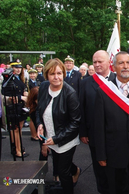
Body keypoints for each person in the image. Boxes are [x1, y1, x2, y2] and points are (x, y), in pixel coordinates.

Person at [94, 51, 129, 194]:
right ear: (114, 67)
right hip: (114, 152)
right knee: (117, 189)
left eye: (128, 63)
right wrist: (101, 155)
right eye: (121, 63)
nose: (125, 66)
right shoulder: (103, 91)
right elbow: (98, 126)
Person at [36, 58, 81, 194]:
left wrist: (57, 138)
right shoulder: (44, 87)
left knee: (62, 171)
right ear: (46, 75)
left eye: (59, 73)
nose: (56, 77)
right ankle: (75, 170)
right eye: (52, 74)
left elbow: (75, 123)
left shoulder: (70, 94)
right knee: (60, 162)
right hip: (50, 135)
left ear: (63, 74)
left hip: (66, 138)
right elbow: (39, 109)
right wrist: (39, 124)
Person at [79, 50, 115, 194]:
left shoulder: (118, 80)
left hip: (115, 135)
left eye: (100, 61)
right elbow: (81, 108)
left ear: (109, 62)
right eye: (95, 62)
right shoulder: (86, 83)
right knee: (100, 169)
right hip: (94, 133)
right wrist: (83, 132)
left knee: (117, 169)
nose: (97, 65)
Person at [2, 59, 29, 158]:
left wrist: (24, 94)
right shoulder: (9, 80)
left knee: (18, 129)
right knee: (15, 129)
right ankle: (17, 150)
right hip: (13, 107)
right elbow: (7, 96)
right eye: (15, 67)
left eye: (19, 67)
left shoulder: (18, 78)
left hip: (20, 107)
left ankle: (18, 147)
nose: (18, 70)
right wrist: (21, 97)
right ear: (11, 68)